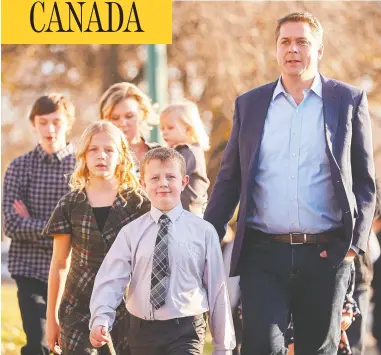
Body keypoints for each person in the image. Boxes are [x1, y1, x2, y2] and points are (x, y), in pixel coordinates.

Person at [203, 11, 376, 355]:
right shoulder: (250, 104)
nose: (293, 49)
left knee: (317, 350)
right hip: (264, 255)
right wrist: (204, 239)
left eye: (302, 42)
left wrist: (353, 247)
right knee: (261, 347)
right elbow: (228, 180)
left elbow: (366, 184)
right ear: (276, 50)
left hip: (325, 255)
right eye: (285, 41)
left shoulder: (348, 101)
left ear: (319, 51)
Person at [89, 147, 235, 355]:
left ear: (184, 182)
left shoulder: (203, 232)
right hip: (142, 330)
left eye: (170, 177)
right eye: (155, 178)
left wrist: (223, 346)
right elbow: (111, 278)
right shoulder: (131, 233)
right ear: (143, 184)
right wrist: (101, 317)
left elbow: (217, 289)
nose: (163, 183)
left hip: (186, 330)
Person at [43, 121, 150, 354]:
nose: (101, 155)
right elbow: (60, 263)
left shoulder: (139, 204)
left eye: (109, 149)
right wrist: (51, 319)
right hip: (78, 303)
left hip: (126, 304)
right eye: (93, 149)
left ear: (121, 155)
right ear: (83, 155)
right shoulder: (69, 204)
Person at [2, 94, 76, 355]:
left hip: (73, 272)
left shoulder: (81, 166)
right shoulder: (19, 167)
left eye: (56, 121)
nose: (50, 129)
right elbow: (11, 224)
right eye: (43, 122)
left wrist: (32, 222)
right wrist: (61, 230)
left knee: (75, 346)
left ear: (69, 123)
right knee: (39, 345)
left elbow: (82, 225)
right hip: (30, 270)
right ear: (33, 124)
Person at [160, 102, 210, 216]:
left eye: (170, 128)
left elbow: (171, 177)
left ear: (188, 129)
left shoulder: (188, 152)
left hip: (190, 212)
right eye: (162, 129)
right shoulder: (183, 151)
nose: (165, 132)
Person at [99, 82, 160, 168]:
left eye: (129, 116)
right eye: (115, 118)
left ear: (142, 114)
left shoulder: (162, 154)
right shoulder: (99, 160)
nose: (122, 123)